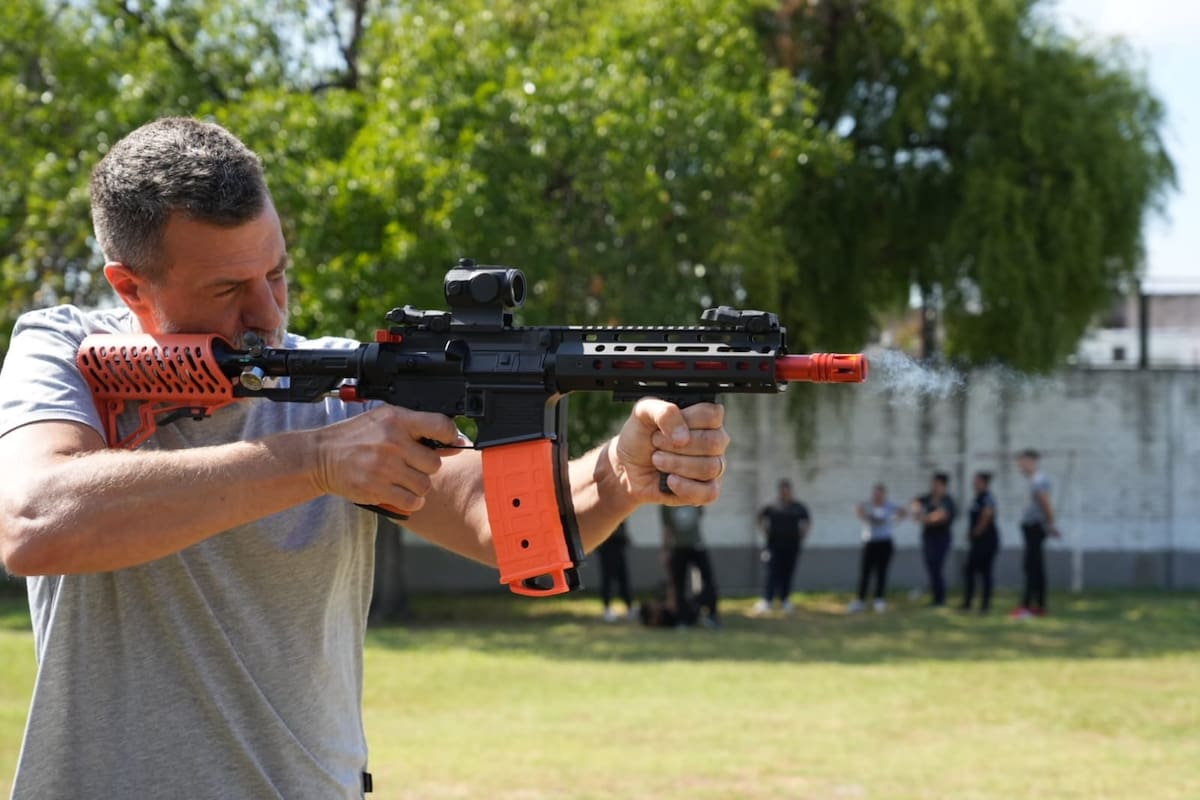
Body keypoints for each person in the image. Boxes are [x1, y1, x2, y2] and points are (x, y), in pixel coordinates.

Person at [0, 117, 732, 799]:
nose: (267, 314)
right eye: (227, 289)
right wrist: (315, 460)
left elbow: (494, 518)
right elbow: (34, 521)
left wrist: (622, 474)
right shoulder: (61, 352)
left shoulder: (344, 383)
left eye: (276, 274)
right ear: (130, 285)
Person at [1010, 449, 1061, 619]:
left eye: (1022, 462)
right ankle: (1038, 605)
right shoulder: (1033, 480)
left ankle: (1028, 606)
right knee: (1035, 567)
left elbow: (1046, 503)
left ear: (1032, 461)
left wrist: (1050, 524)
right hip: (1031, 527)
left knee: (1031, 566)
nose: (1020, 466)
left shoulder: (1039, 480)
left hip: (1035, 528)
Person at [751, 479, 811, 615]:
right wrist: (764, 530)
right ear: (780, 492)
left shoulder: (798, 507)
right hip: (774, 546)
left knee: (787, 573)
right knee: (772, 572)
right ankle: (767, 600)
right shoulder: (773, 506)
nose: (786, 494)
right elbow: (760, 517)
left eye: (788, 492)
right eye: (783, 492)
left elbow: (807, 520)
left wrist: (803, 534)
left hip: (792, 546)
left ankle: (785, 599)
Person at [660, 504, 720, 628]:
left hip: (696, 545)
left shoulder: (693, 496)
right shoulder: (666, 503)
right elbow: (666, 527)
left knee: (708, 580)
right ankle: (682, 619)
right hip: (678, 547)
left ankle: (711, 614)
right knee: (678, 585)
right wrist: (665, 549)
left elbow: (700, 513)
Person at [848, 483, 905, 613]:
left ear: (884, 494)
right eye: (875, 494)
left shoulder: (890, 505)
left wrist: (895, 520)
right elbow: (857, 509)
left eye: (879, 494)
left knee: (882, 572)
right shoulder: (867, 504)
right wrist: (864, 516)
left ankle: (879, 599)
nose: (877, 496)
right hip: (870, 541)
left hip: (885, 542)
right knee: (865, 572)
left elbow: (903, 512)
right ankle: (860, 600)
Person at [911, 471, 957, 608]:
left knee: (937, 567)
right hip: (928, 537)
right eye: (933, 484)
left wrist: (924, 519)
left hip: (942, 538)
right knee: (931, 566)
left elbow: (941, 515)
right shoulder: (928, 498)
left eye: (937, 484)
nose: (934, 486)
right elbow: (916, 501)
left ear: (943, 485)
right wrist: (917, 509)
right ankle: (935, 596)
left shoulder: (948, 500)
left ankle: (940, 599)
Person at [960, 471, 999, 613]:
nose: (974, 484)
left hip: (987, 541)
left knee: (985, 572)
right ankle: (968, 603)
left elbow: (987, 514)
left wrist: (976, 531)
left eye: (977, 481)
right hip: (977, 542)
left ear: (984, 482)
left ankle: (984, 606)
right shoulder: (977, 498)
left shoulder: (987, 497)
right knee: (970, 571)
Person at [597, 520, 636, 621]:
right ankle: (607, 608)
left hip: (618, 546)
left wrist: (624, 536)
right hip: (606, 545)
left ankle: (629, 606)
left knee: (623, 577)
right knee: (608, 577)